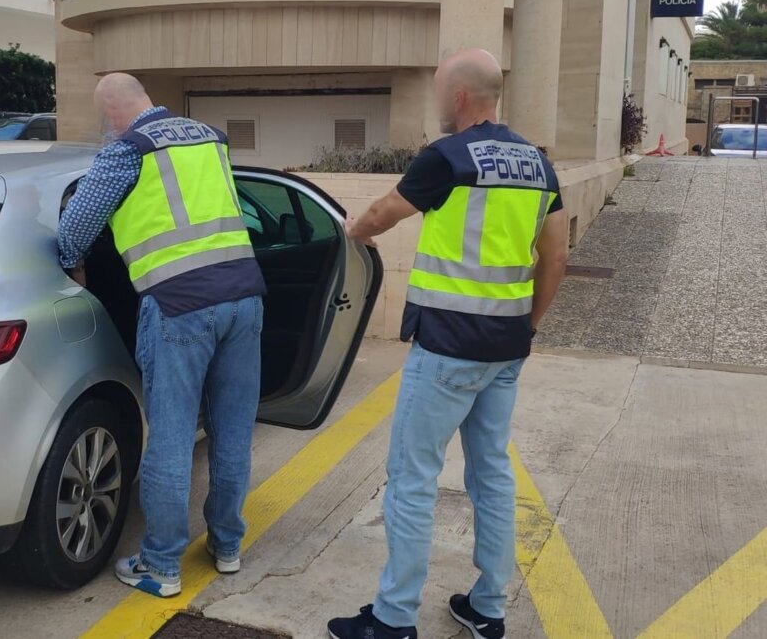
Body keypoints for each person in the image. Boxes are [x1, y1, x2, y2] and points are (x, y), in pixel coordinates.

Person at [326, 49, 570, 639]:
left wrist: (351, 230)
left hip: (446, 349)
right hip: (506, 349)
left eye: (439, 92)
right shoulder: (539, 166)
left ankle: (394, 618)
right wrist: (528, 325)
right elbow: (556, 255)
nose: (438, 102)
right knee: (491, 474)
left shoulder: (449, 156)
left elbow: (387, 211)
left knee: (411, 478)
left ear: (459, 96)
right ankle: (488, 608)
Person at [57, 73, 266, 598]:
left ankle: (161, 566)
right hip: (244, 297)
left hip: (180, 305)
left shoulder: (127, 150)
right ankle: (227, 546)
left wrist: (73, 264)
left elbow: (76, 228)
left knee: (170, 439)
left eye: (106, 121)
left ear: (113, 113)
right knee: (233, 431)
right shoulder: (208, 136)